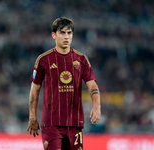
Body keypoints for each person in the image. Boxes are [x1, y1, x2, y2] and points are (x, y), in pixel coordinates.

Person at [27, 17, 101, 150]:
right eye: (62, 33)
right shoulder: (44, 60)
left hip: (75, 123)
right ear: (54, 35)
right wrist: (32, 117)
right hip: (51, 123)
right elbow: (34, 91)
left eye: (69, 33)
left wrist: (97, 106)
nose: (66, 36)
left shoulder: (82, 59)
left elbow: (92, 85)